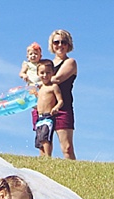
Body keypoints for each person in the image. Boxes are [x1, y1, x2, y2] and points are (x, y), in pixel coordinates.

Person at [49, 29, 77, 160]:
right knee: (45, 146)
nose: (60, 45)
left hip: (63, 108)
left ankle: (73, 170)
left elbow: (57, 79)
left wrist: (39, 79)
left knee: (67, 148)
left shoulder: (70, 62)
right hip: (45, 107)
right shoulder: (46, 65)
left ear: (68, 44)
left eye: (63, 42)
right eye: (56, 42)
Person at [33, 60, 63, 158]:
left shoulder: (53, 87)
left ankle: (48, 156)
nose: (45, 75)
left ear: (53, 73)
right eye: (42, 73)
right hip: (40, 117)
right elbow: (39, 101)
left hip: (48, 116)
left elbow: (60, 101)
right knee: (39, 139)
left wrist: (56, 107)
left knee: (45, 137)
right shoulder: (40, 88)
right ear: (38, 74)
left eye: (48, 72)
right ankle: (42, 157)